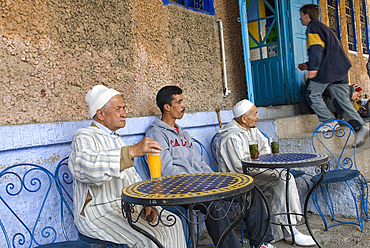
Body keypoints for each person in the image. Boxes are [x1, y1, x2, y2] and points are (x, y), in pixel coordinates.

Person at [145, 85, 275, 248]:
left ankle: (261, 243)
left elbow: (199, 161)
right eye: (179, 102)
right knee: (215, 206)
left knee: (252, 191)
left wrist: (213, 179)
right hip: (180, 189)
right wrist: (197, 182)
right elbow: (166, 170)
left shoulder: (183, 133)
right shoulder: (156, 134)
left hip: (203, 183)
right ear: (167, 107)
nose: (183, 105)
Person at [68, 85, 186, 248]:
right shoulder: (84, 136)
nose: (124, 113)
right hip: (99, 213)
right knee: (149, 239)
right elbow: (86, 168)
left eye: (124, 108)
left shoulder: (115, 138)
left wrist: (147, 203)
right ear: (101, 114)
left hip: (128, 208)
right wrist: (131, 152)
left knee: (174, 224)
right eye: (118, 109)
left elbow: (131, 177)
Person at [215, 99, 316, 247]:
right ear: (244, 118)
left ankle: (287, 229)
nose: (258, 117)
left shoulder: (251, 129)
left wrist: (264, 166)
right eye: (255, 114)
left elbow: (265, 148)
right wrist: (265, 168)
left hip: (254, 173)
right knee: (281, 180)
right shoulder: (230, 136)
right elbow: (238, 167)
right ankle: (289, 231)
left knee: (284, 177)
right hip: (237, 179)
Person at [298, 4, 369, 147]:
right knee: (342, 100)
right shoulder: (324, 28)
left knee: (312, 94)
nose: (300, 19)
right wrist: (308, 64)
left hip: (328, 70)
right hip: (340, 69)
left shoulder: (313, 27)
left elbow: (316, 48)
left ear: (307, 16)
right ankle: (360, 127)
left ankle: (329, 121)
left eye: (301, 15)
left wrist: (313, 68)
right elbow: (325, 50)